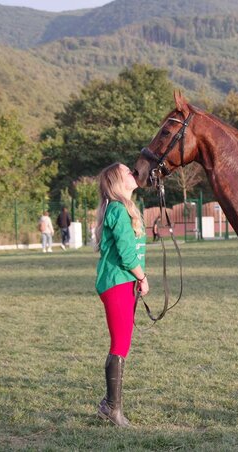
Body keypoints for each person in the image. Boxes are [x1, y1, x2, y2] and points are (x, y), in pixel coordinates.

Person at [94, 162, 149, 427]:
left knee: (122, 343)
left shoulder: (124, 208)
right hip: (117, 281)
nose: (133, 173)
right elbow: (127, 254)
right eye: (128, 171)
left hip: (124, 283)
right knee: (119, 344)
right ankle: (111, 408)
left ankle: (110, 405)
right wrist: (142, 276)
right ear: (118, 181)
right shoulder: (117, 208)